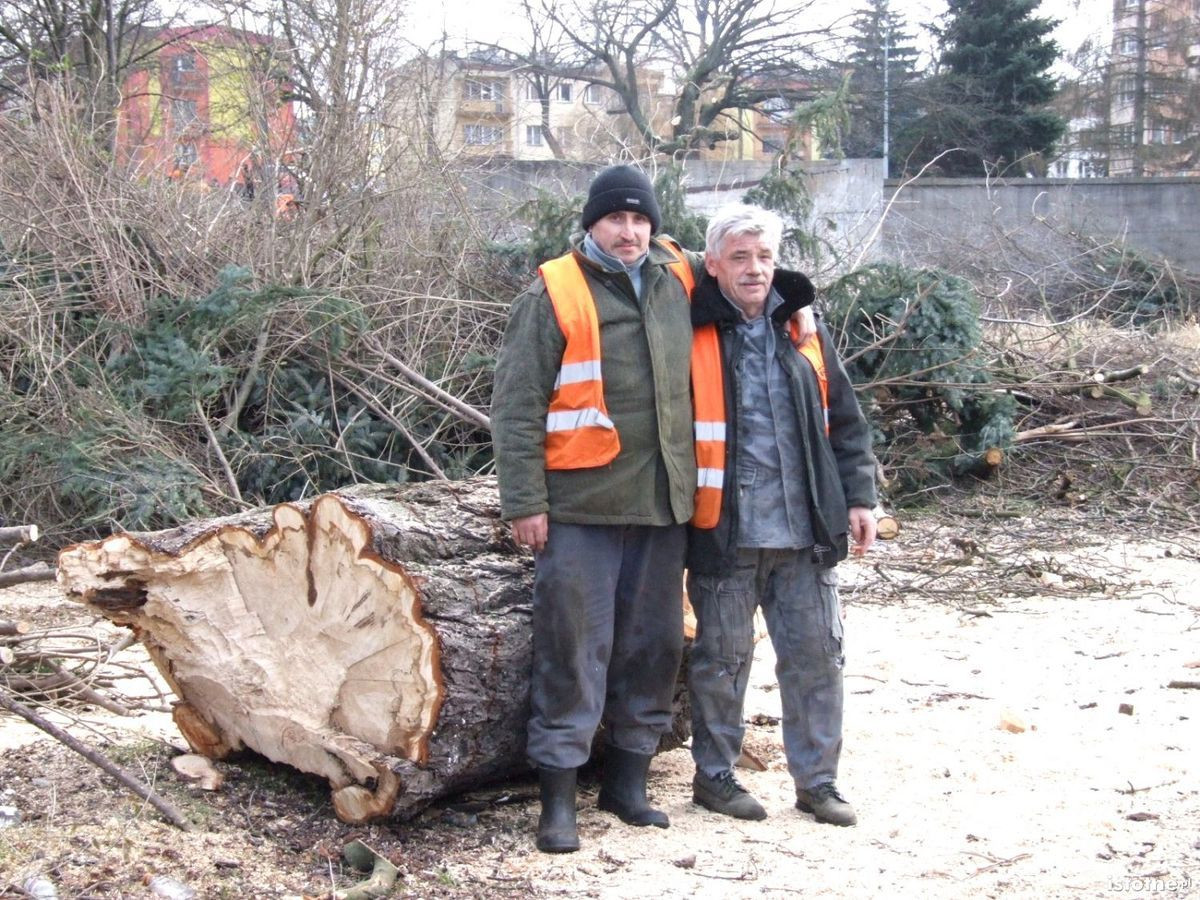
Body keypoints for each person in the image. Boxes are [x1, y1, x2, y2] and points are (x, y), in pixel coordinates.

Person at [491, 164, 706, 854]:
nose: (629, 231)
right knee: (572, 650)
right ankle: (558, 799)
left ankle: (628, 785)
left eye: (641, 219)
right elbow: (516, 405)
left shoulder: (679, 277)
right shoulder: (555, 290)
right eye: (616, 219)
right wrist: (525, 502)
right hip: (581, 505)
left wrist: (796, 305)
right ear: (592, 223)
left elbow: (748, 280)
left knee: (652, 649)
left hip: (663, 500)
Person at [685, 204, 878, 828]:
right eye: (738, 257)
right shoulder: (689, 333)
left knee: (818, 658)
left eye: (764, 257)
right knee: (720, 662)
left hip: (804, 533)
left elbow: (844, 422)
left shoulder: (802, 333)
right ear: (712, 264)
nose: (754, 269)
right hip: (725, 531)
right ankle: (715, 777)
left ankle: (818, 784)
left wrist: (859, 498)